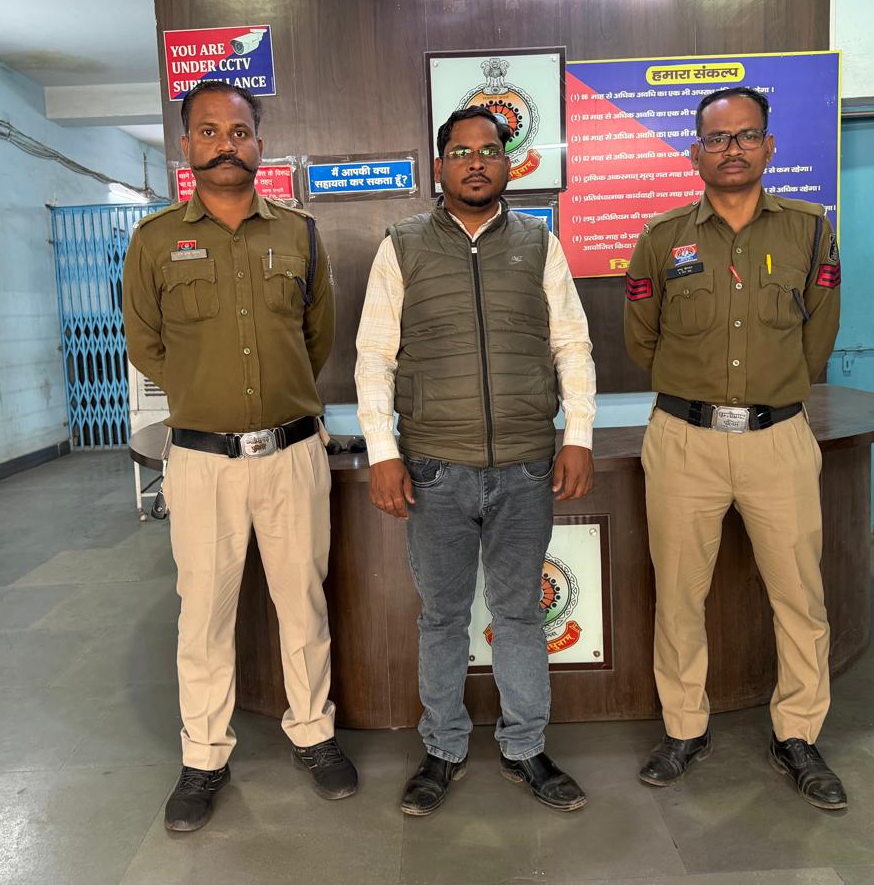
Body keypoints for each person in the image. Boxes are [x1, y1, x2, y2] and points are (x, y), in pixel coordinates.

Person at [123, 80, 356, 833]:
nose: (226, 143)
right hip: (201, 462)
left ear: (259, 143)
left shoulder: (300, 234)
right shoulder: (155, 241)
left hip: (292, 453)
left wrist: (273, 398)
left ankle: (313, 734)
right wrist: (208, 392)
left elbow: (317, 337)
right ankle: (204, 757)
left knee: (303, 603)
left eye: (240, 131)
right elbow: (145, 342)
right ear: (186, 145)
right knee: (203, 614)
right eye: (209, 131)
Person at [354, 106, 597, 816]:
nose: (475, 162)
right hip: (434, 469)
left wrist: (579, 434)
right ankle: (442, 749)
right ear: (440, 166)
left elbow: (571, 344)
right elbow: (374, 356)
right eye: (460, 152)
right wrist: (383, 452)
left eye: (488, 150)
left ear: (508, 161)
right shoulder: (401, 246)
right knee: (442, 617)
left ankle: (526, 747)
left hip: (525, 467)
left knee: (519, 613)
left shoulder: (539, 244)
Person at [623, 86, 846, 810]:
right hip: (683, 441)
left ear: (770, 146)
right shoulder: (662, 238)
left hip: (778, 439)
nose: (733, 150)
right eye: (717, 139)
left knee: (800, 596)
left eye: (747, 136)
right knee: (678, 595)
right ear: (696, 151)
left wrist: (773, 393)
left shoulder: (810, 231)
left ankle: (798, 734)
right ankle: (684, 727)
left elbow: (819, 331)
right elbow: (641, 339)